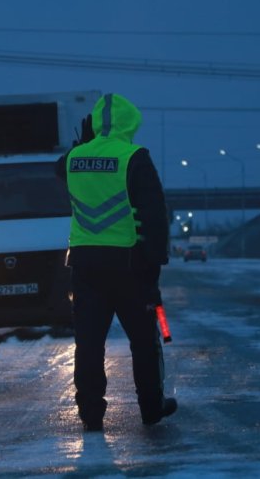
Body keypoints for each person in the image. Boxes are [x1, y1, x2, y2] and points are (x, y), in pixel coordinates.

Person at [56, 93, 177, 431]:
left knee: (90, 344)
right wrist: (155, 265)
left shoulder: (73, 159)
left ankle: (91, 415)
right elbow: (154, 216)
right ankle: (152, 408)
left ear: (94, 124)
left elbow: (59, 169)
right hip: (130, 267)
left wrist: (85, 143)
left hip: (85, 267)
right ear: (130, 123)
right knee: (144, 340)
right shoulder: (134, 158)